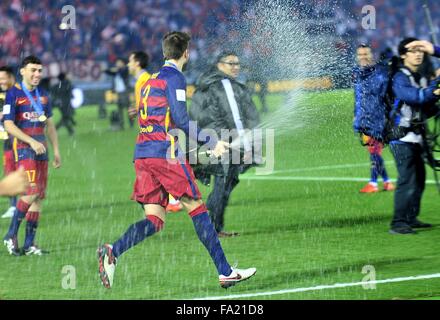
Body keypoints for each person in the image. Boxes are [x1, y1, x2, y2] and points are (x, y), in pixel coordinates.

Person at [97, 31, 256, 289]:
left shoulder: (150, 80)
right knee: (196, 207)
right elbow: (181, 121)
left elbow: (151, 119)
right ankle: (225, 272)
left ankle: (113, 251)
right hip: (164, 155)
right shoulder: (175, 77)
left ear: (164, 52)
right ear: (186, 53)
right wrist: (212, 142)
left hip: (143, 155)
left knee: (154, 220)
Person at [189, 51, 260, 237]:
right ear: (219, 65)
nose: (236, 67)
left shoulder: (233, 86)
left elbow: (246, 117)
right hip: (222, 143)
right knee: (223, 183)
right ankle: (213, 227)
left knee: (229, 181)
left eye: (237, 63)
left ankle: (211, 220)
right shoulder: (215, 86)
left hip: (233, 143)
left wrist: (248, 146)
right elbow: (203, 117)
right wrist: (218, 140)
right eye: (231, 63)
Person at [2, 55, 61, 255]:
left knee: (37, 198)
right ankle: (10, 234)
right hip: (25, 149)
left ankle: (29, 244)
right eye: (33, 70)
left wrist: (57, 151)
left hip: (42, 151)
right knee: (31, 191)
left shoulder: (43, 95)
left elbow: (50, 125)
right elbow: (8, 124)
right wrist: (31, 141)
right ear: (22, 71)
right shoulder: (13, 94)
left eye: (39, 71)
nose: (37, 74)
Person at [387, 38, 440, 235]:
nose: (418, 54)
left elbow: (427, 106)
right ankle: (398, 223)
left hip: (418, 137)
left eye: (421, 51)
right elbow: (415, 97)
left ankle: (411, 217)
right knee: (406, 180)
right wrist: (436, 86)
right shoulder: (399, 77)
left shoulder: (421, 76)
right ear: (403, 55)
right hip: (401, 138)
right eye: (413, 51)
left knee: (419, 179)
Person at [127, 50, 183, 214]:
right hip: (153, 132)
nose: (128, 64)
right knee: (159, 164)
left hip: (157, 131)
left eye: (130, 61)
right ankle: (164, 198)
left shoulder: (144, 80)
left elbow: (153, 103)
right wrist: (137, 110)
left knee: (160, 163)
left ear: (137, 63)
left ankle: (169, 199)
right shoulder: (142, 80)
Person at [353, 44, 395, 193]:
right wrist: (356, 115)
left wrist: (386, 118)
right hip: (364, 120)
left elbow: (386, 97)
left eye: (366, 54)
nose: (363, 57)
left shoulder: (380, 74)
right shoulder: (358, 74)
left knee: (374, 152)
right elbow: (358, 98)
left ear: (372, 55)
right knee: (374, 152)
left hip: (377, 120)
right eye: (360, 54)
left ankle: (373, 183)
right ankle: (387, 181)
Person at [0, 66, 18, 218]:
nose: (1, 81)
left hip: (18, 140)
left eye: (3, 78)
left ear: (11, 77)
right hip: (7, 140)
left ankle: (23, 205)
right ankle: (14, 206)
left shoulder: (18, 93)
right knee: (10, 172)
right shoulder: (2, 94)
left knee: (22, 173)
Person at [105, 58, 132, 130]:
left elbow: (123, 71)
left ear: (123, 63)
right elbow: (108, 72)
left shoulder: (124, 70)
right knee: (120, 109)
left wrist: (115, 69)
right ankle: (121, 125)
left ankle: (131, 124)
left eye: (119, 62)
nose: (117, 64)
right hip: (119, 93)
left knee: (128, 109)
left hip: (125, 92)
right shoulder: (117, 72)